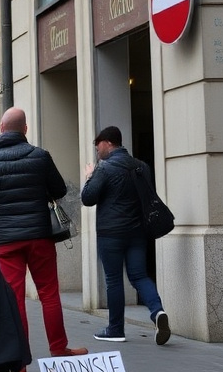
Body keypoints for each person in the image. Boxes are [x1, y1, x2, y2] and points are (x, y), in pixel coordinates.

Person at [0, 108, 88, 358]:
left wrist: (1, 218)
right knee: (49, 293)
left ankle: (19, 361)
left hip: (6, 241)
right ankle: (58, 348)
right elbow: (58, 190)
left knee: (14, 300)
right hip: (39, 236)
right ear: (25, 129)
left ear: (1, 129)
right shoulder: (40, 157)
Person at [81, 125, 170, 345]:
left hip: (111, 233)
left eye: (98, 144)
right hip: (137, 232)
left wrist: (90, 176)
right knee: (139, 276)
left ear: (108, 142)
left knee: (113, 280)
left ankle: (115, 329)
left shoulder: (105, 168)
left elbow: (88, 198)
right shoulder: (141, 167)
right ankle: (157, 312)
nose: (97, 149)